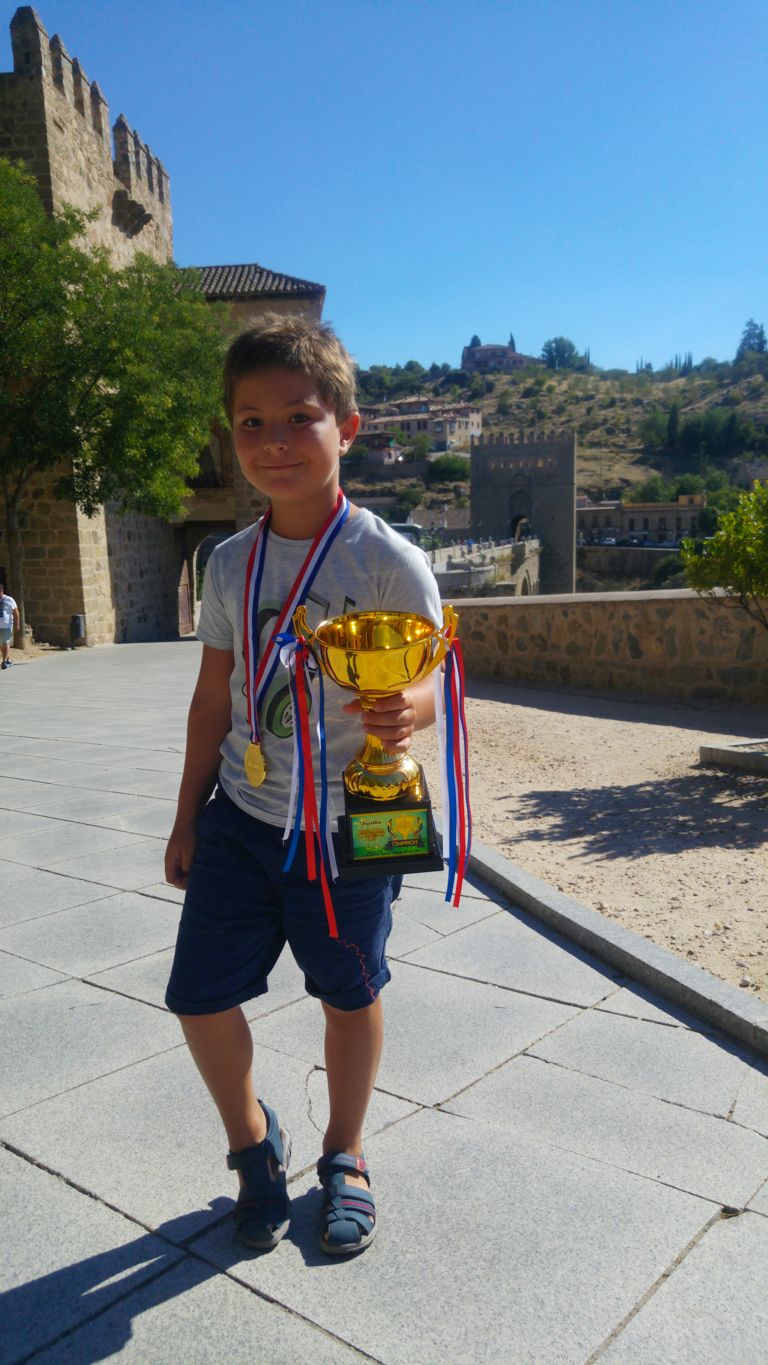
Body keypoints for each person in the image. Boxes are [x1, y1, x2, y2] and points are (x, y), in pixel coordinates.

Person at [164, 315, 442, 1257]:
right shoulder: (229, 563)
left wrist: (407, 705)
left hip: (351, 824)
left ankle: (346, 1152)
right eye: (250, 422)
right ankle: (253, 1145)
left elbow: (434, 678)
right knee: (198, 995)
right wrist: (183, 816)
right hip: (242, 815)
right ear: (229, 433)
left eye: (299, 417)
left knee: (349, 994)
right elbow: (214, 695)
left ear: (347, 428)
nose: (274, 442)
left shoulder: (388, 561)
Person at [0, 583, 19, 670]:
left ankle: (4, 662)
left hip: (7, 625)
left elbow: (16, 613)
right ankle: (8, 659)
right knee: (1, 644)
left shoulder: (9, 599)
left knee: (6, 642)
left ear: (2, 591)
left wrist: (17, 624)